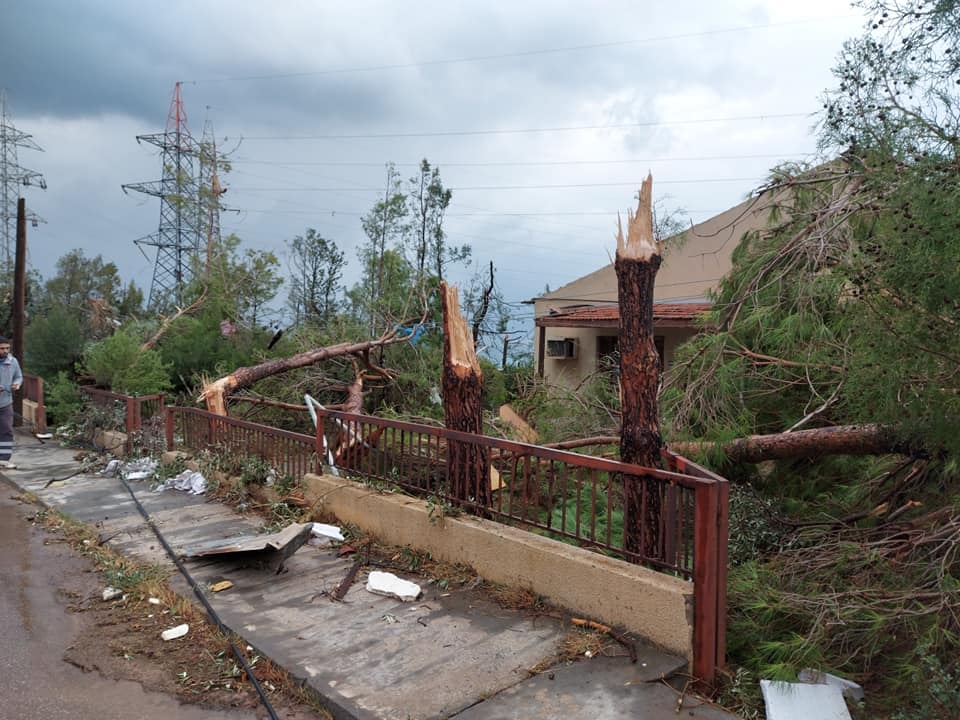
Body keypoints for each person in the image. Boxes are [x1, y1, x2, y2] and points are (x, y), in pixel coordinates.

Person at [0, 336, 22, 470]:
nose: (5, 351)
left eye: (7, 348)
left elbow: (18, 376)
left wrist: (16, 384)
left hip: (5, 403)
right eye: (2, 348)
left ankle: (3, 460)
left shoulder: (12, 361)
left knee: (7, 431)